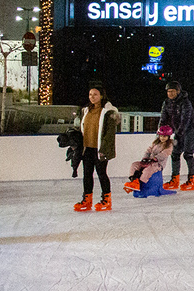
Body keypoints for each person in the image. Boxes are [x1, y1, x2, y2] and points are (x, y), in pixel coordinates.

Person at [73, 84, 119, 213]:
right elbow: (80, 128)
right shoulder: (86, 110)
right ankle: (87, 200)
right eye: (90, 94)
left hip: (100, 149)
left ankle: (106, 200)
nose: (92, 97)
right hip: (87, 148)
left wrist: (104, 149)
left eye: (95, 94)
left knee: (101, 174)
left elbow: (109, 134)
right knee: (87, 175)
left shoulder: (107, 112)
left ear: (102, 96)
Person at [159, 81, 194, 191]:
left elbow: (185, 119)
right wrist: (161, 132)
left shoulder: (185, 102)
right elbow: (163, 118)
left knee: (188, 154)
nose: (170, 94)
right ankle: (174, 179)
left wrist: (179, 132)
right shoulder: (166, 103)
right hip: (179, 131)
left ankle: (192, 180)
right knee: (175, 153)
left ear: (178, 91)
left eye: (172, 91)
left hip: (190, 130)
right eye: (168, 91)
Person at [124, 125, 173, 193]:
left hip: (158, 164)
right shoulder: (155, 143)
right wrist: (145, 158)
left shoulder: (169, 145)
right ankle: (134, 181)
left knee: (148, 170)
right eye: (161, 136)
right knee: (135, 165)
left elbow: (164, 154)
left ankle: (141, 183)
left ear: (168, 136)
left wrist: (154, 158)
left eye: (164, 136)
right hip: (148, 161)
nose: (162, 138)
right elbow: (148, 150)